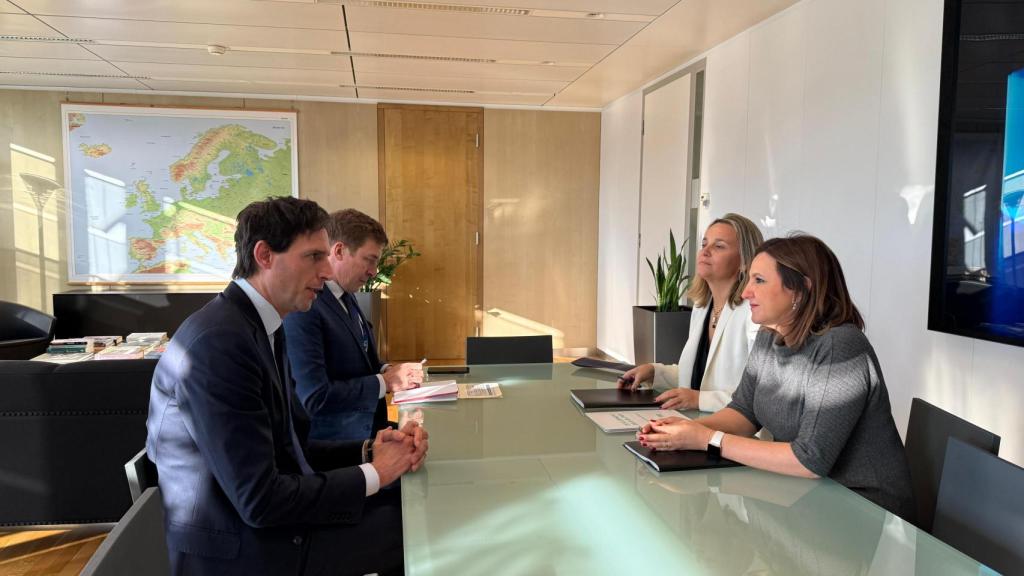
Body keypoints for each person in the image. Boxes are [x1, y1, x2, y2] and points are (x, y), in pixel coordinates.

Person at [146, 197, 428, 576]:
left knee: (409, 507)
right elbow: (260, 501)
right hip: (243, 551)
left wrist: (366, 450)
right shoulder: (220, 344)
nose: (328, 271)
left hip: (263, 524)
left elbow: (285, 446)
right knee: (415, 527)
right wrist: (376, 473)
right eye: (314, 257)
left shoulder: (257, 325)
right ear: (264, 255)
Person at [637, 234, 914, 519]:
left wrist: (708, 438)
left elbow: (809, 460)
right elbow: (744, 412)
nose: (745, 293)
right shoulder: (770, 335)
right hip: (807, 497)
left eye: (758, 281)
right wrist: (681, 433)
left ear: (800, 289)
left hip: (864, 510)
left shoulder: (841, 346)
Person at [284, 209, 423, 441]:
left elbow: (362, 362)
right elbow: (315, 397)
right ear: (339, 251)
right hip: (338, 447)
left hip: (372, 428)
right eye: (369, 260)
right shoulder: (305, 309)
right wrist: (385, 381)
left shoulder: (346, 296)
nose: (373, 272)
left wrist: (389, 370)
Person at [620, 213, 764, 412]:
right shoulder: (702, 306)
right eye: (704, 244)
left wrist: (700, 400)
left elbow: (759, 394)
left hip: (734, 435)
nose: (705, 251)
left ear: (745, 261)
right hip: (695, 423)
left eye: (719, 246)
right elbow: (697, 376)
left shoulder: (754, 313)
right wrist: (655, 372)